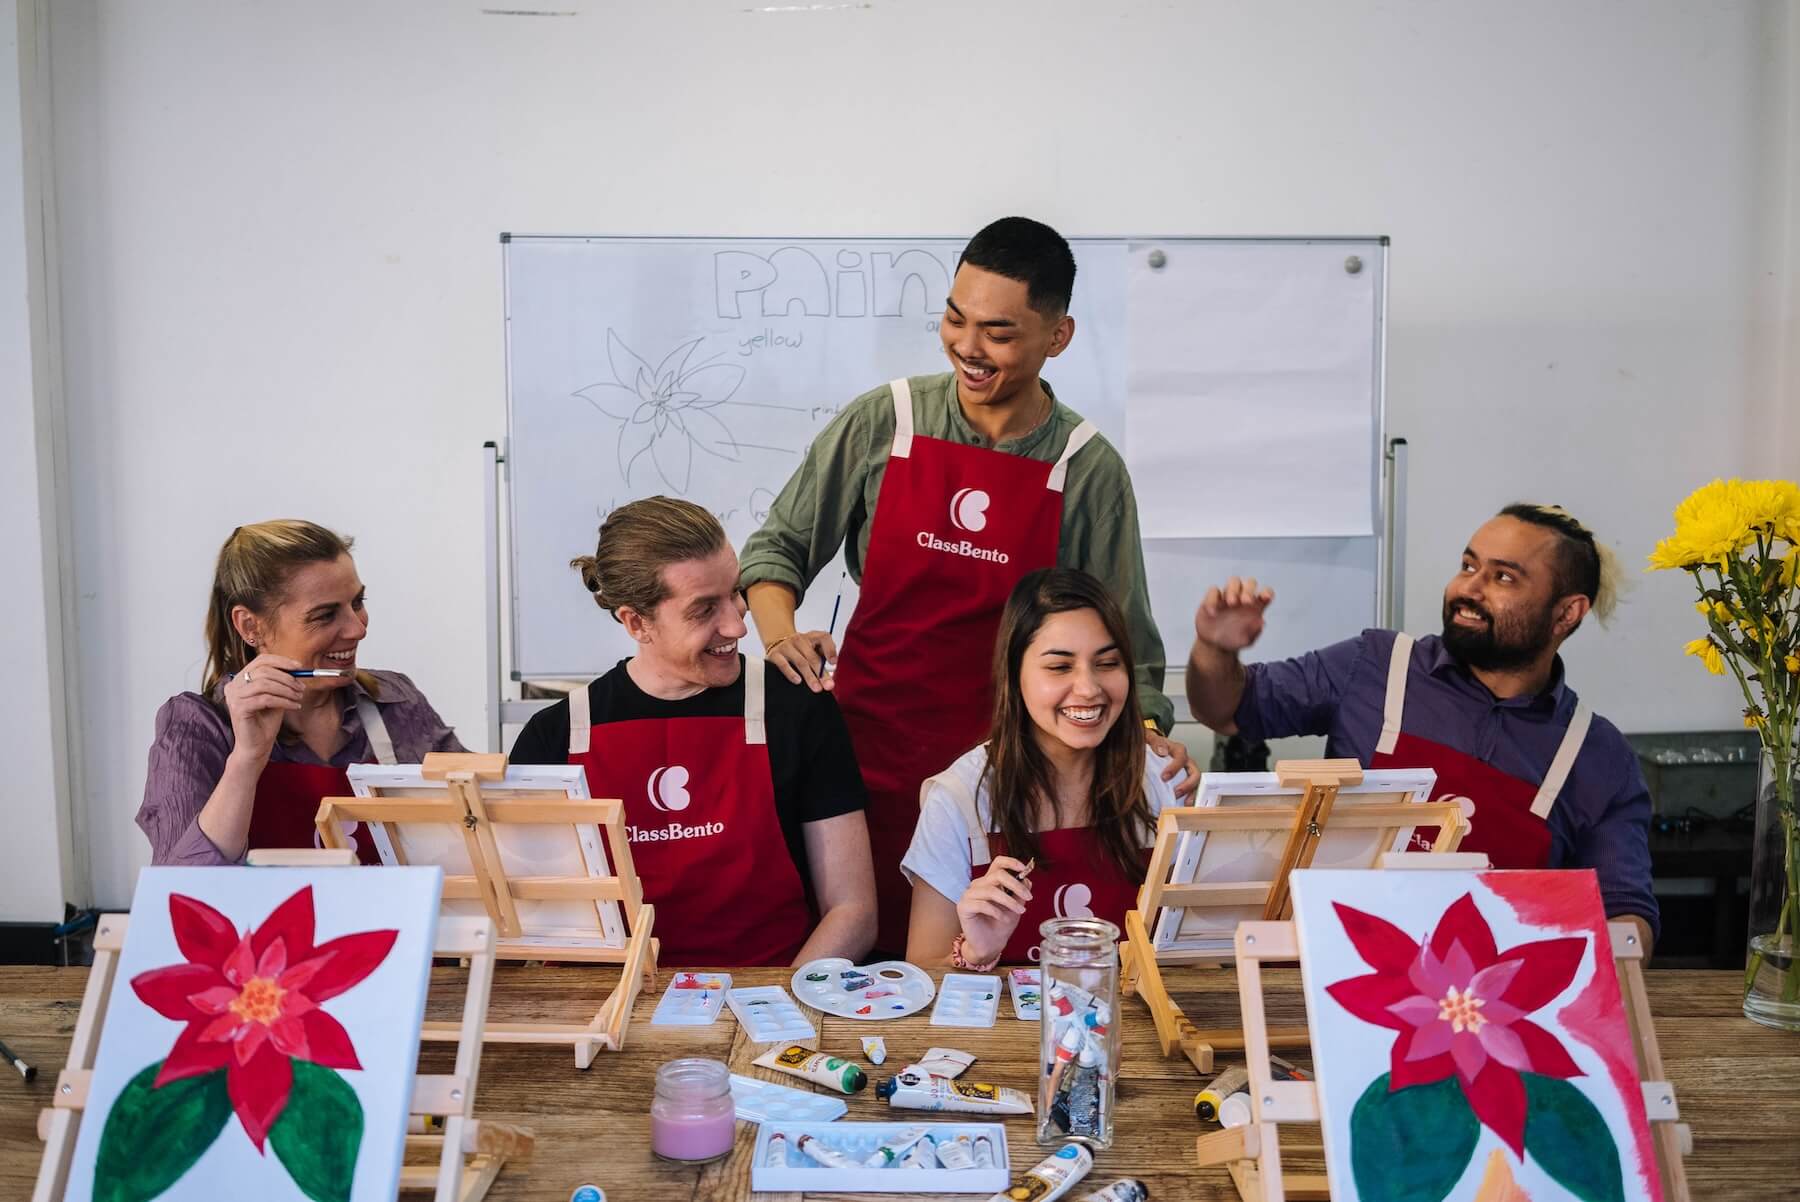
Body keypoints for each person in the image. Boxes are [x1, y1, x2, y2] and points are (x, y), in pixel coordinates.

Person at [739, 216, 1194, 952]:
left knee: (976, 976)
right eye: (955, 319)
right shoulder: (884, 421)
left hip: (1008, 781)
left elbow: (1127, 648)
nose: (967, 347)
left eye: (999, 332)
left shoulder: (1086, 466)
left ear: (1059, 336)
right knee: (856, 968)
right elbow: (774, 552)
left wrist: (1146, 734)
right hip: (862, 763)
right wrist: (781, 636)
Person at [1185, 503, 1659, 948]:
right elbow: (1228, 709)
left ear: (1566, 612)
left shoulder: (1597, 755)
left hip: (1487, 1011)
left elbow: (1625, 915)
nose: (1469, 589)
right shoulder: (1374, 665)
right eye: (1469, 566)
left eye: (1503, 578)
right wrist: (1215, 650)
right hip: (1331, 975)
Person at [508, 496, 877, 966]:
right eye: (704, 610)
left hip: (774, 995)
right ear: (636, 622)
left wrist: (777, 1007)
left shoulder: (797, 708)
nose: (737, 626)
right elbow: (535, 923)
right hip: (619, 1004)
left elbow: (854, 911)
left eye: (736, 594)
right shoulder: (555, 737)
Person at [138, 520, 465, 865]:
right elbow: (183, 889)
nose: (357, 629)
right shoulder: (196, 728)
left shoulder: (396, 703)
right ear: (251, 626)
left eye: (357, 602)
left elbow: (479, 827)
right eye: (325, 616)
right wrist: (248, 758)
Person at [901, 569, 1180, 967]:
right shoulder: (959, 797)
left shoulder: (1164, 779)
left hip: (1131, 1028)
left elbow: (1199, 958)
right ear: (1015, 676)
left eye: (1107, 663)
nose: (1088, 688)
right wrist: (979, 950)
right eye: (1060, 667)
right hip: (1002, 1029)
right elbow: (924, 971)